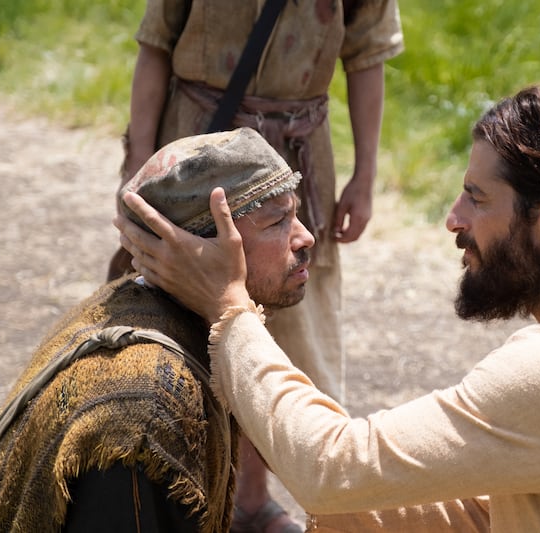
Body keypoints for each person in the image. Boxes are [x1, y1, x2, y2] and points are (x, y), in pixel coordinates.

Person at [115, 84, 540, 531]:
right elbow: (490, 510)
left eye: (475, 198)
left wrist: (229, 310)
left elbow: (332, 468)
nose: (453, 220)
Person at [107, 3, 404, 529]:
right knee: (179, 316)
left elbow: (367, 57)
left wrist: (365, 173)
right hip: (197, 152)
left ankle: (252, 501)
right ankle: (166, 497)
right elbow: (155, 44)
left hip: (297, 158)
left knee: (294, 323)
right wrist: (140, 158)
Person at [0, 128, 314, 533]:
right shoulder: (146, 410)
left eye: (294, 214)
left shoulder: (140, 308)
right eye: (276, 222)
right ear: (197, 249)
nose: (305, 237)